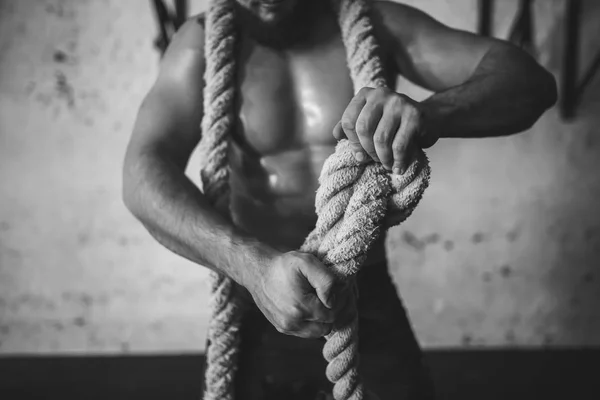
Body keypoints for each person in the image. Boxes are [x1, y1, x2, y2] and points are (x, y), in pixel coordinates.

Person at [122, 0, 557, 398]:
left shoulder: (377, 22)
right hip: (257, 297)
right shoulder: (201, 41)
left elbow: (530, 84)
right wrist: (252, 268)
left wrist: (428, 115)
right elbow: (142, 174)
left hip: (365, 296)